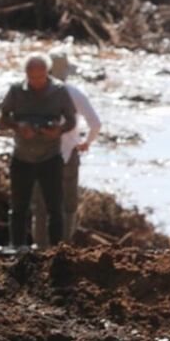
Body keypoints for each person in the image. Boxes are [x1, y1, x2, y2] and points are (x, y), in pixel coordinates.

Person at [0, 53, 77, 248]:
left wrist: (57, 130)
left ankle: (57, 252)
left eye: (40, 77)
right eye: (32, 78)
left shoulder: (60, 91)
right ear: (26, 74)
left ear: (47, 73)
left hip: (50, 157)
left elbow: (71, 120)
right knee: (19, 208)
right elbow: (2, 118)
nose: (36, 82)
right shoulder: (16, 90)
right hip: (22, 157)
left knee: (55, 209)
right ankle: (17, 249)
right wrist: (19, 127)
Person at [31, 49, 102, 246]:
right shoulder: (74, 94)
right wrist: (86, 142)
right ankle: (62, 249)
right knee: (67, 207)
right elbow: (95, 124)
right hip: (68, 155)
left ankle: (40, 250)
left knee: (41, 207)